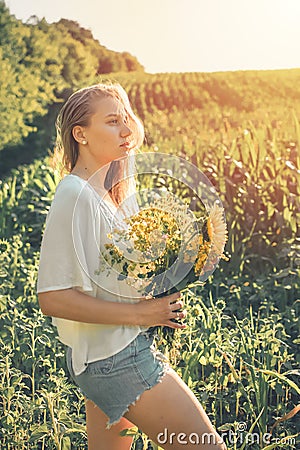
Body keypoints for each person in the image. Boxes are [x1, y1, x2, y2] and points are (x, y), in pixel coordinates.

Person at [37, 82, 227, 450]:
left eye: (127, 118)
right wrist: (142, 313)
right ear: (81, 134)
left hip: (110, 354)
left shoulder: (109, 193)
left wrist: (172, 268)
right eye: (111, 121)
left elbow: (110, 277)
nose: (126, 129)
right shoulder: (74, 193)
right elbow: (53, 298)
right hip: (116, 358)